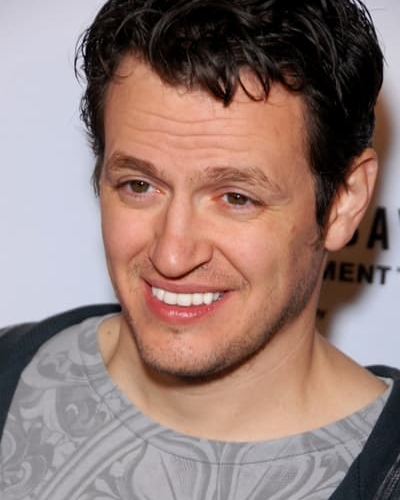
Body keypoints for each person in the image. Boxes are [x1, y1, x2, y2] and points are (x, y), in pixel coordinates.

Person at [1, 1, 399, 498]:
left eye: (236, 198)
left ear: (344, 201)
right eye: (139, 186)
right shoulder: (9, 373)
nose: (172, 256)